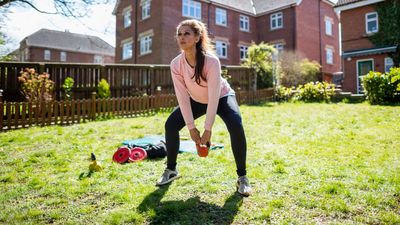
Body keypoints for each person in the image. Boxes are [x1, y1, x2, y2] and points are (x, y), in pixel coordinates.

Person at [156, 19, 252, 196]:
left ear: (197, 37)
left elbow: (214, 96)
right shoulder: (176, 64)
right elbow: (182, 97)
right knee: (171, 124)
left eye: (187, 34)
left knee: (236, 125)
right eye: (179, 34)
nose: (182, 37)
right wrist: (192, 128)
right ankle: (171, 170)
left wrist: (207, 130)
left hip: (222, 97)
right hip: (196, 99)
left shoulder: (211, 62)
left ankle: (242, 177)